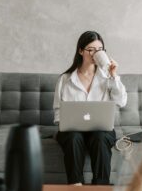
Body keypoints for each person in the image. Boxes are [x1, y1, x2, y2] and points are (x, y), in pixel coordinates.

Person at [53, 31, 127, 185]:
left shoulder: (107, 77)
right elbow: (58, 112)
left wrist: (114, 75)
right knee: (73, 138)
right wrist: (65, 123)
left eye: (100, 50)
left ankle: (101, 186)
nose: (96, 53)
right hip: (72, 131)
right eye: (91, 49)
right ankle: (76, 185)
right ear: (81, 51)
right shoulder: (65, 79)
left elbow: (121, 101)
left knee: (100, 137)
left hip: (100, 130)